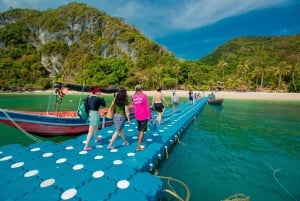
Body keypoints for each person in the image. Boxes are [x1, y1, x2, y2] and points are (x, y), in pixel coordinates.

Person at [83, 87, 106, 151]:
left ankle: (96, 138)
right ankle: (86, 146)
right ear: (96, 92)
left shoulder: (88, 97)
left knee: (96, 127)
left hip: (90, 114)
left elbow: (86, 104)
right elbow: (104, 104)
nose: (100, 92)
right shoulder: (97, 98)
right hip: (94, 114)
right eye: (99, 91)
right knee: (90, 131)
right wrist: (102, 97)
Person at [132, 85, 153, 151]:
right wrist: (150, 117)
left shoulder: (133, 96)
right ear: (141, 89)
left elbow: (134, 105)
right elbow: (147, 107)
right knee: (142, 131)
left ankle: (140, 140)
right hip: (143, 116)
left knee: (139, 129)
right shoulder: (144, 96)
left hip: (137, 115)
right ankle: (138, 146)